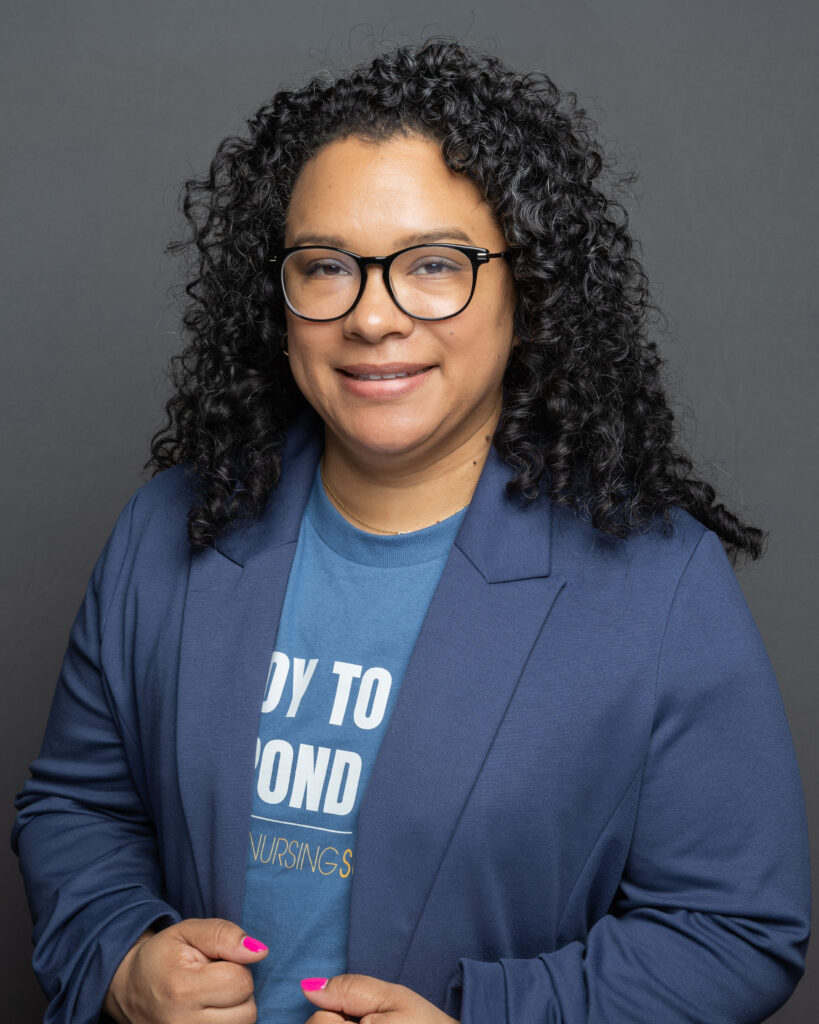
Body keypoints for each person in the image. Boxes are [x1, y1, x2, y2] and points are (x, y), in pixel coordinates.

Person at [12, 39, 810, 1024]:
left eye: (435, 265)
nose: (373, 317)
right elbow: (78, 808)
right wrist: (120, 958)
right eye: (326, 267)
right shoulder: (169, 527)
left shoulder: (657, 581)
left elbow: (733, 929)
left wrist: (488, 1016)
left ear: (528, 289)